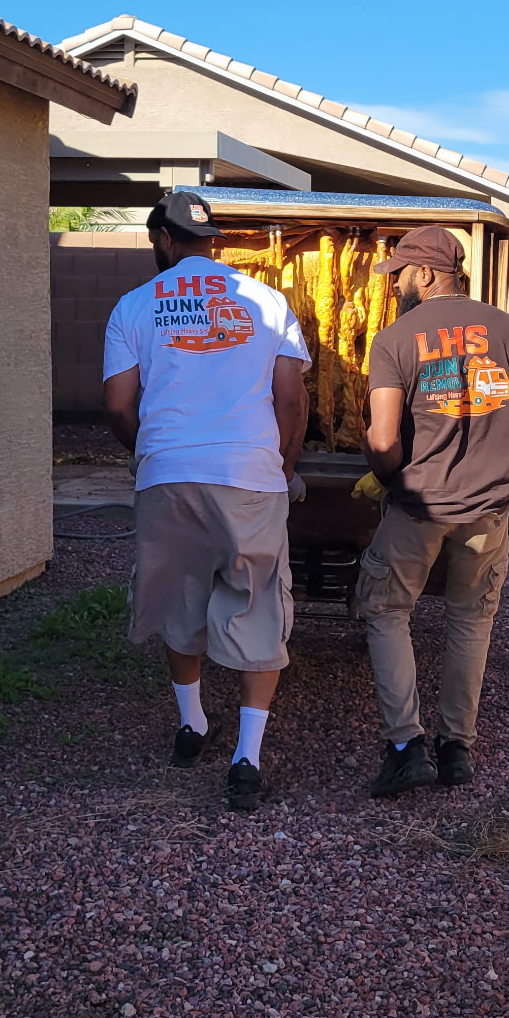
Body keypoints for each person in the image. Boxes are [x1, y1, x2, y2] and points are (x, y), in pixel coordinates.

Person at [101, 192, 311, 813]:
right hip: (249, 473)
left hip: (168, 472)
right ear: (208, 239)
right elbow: (291, 401)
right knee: (256, 600)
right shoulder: (268, 303)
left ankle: (192, 727)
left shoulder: (133, 307)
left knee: (179, 598)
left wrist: (152, 453)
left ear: (162, 240)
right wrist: (284, 466)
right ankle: (246, 757)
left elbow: (117, 405)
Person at [358, 224, 509, 797]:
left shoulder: (396, 340)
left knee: (387, 611)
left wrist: (384, 475)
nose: (394, 285)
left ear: (425, 273)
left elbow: (385, 437)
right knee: (471, 618)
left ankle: (405, 745)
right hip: (488, 512)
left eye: (398, 274)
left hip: (417, 507)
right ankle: (456, 747)